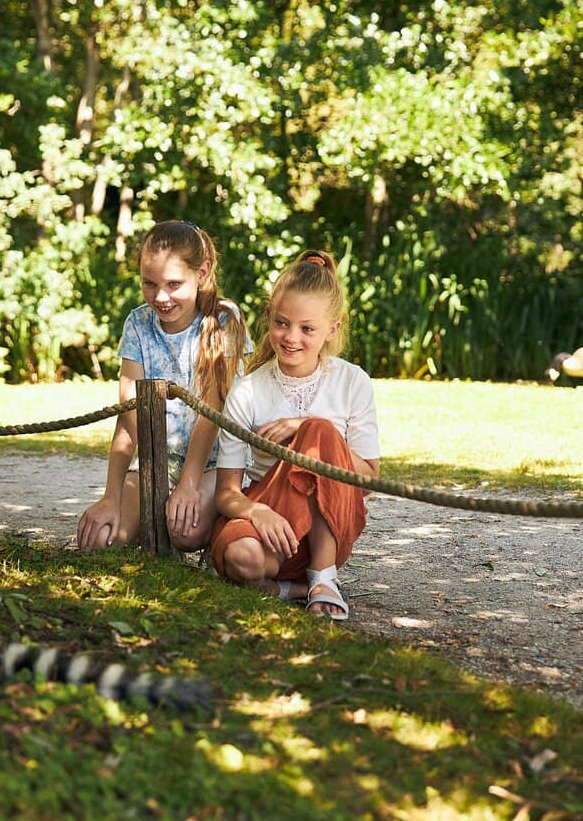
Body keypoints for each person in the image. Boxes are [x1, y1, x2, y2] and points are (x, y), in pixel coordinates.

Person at [209, 249, 380, 620]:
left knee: (319, 429)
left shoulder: (352, 382)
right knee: (241, 557)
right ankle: (293, 589)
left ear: (332, 329)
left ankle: (322, 576)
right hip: (273, 524)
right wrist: (257, 512)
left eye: (307, 328)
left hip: (328, 528)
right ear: (269, 315)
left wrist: (307, 429)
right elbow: (226, 493)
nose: (291, 338)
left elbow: (367, 477)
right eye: (282, 323)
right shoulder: (248, 391)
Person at [76, 220, 249, 553]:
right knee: (99, 540)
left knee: (185, 533)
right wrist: (111, 497)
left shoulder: (226, 318)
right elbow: (128, 419)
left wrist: (188, 484)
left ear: (202, 272)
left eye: (173, 284)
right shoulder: (138, 324)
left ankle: (216, 527)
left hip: (215, 465)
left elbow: (211, 412)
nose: (161, 296)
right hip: (156, 464)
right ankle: (151, 517)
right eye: (149, 284)